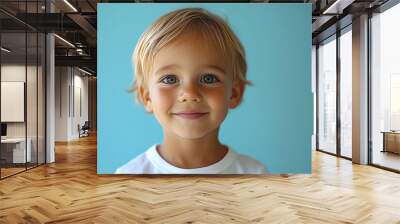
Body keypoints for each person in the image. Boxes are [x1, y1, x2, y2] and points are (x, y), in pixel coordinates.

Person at [115, 7, 267, 174]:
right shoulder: (127, 175)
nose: (190, 94)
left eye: (209, 78)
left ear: (234, 93)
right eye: (169, 79)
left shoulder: (255, 173)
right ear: (147, 97)